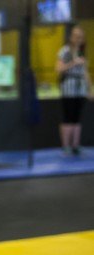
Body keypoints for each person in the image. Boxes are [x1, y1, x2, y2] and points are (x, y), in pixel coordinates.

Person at [56, 25, 93, 156]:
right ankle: (66, 146)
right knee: (68, 118)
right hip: (68, 89)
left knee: (77, 118)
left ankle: (75, 145)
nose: (78, 39)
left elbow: (85, 72)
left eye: (81, 37)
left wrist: (90, 89)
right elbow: (59, 69)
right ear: (71, 37)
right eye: (76, 36)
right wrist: (73, 63)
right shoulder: (65, 51)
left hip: (80, 89)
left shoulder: (82, 52)